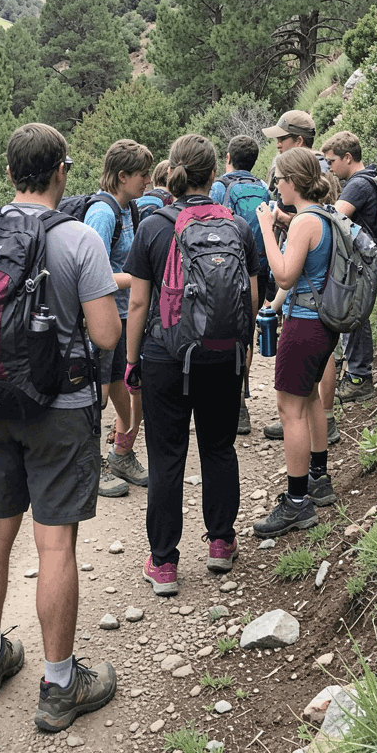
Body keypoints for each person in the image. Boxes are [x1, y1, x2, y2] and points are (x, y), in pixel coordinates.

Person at [0, 122, 121, 732]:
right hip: (60, 409)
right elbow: (105, 335)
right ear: (61, 171)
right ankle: (60, 684)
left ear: (11, 172)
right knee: (55, 544)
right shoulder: (77, 239)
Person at [125, 133, 259, 596]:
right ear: (211, 174)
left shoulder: (154, 226)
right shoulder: (238, 226)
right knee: (219, 448)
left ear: (173, 171)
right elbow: (253, 296)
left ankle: (163, 564)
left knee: (167, 458)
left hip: (165, 357)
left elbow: (139, 303)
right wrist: (240, 350)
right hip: (222, 354)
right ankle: (221, 542)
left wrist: (131, 360)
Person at [252, 147, 340, 537]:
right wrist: (286, 221)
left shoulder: (304, 221)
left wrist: (269, 230)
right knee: (309, 399)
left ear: (290, 182)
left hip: (303, 324)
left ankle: (297, 501)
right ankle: (318, 478)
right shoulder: (325, 213)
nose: (276, 188)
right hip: (324, 324)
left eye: (278, 181)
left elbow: (285, 276)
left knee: (289, 409)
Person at [85, 139, 153, 499]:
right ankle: (89, 465)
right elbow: (89, 276)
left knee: (123, 386)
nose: (147, 181)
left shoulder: (131, 209)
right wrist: (142, 279)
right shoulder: (103, 213)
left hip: (127, 314)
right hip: (105, 317)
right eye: (142, 175)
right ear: (122, 176)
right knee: (97, 392)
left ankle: (121, 453)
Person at [210, 135, 271, 436]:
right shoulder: (262, 188)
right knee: (244, 336)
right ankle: (240, 403)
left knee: (217, 331)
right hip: (257, 269)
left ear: (228, 157)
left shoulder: (221, 187)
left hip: (223, 272)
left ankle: (216, 400)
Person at [323, 130, 377, 402]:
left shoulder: (357, 185)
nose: (330, 168)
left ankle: (359, 378)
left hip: (359, 262)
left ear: (347, 157)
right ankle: (358, 375)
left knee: (354, 314)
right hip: (365, 259)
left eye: (332, 161)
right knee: (357, 315)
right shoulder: (368, 179)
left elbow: (334, 219)